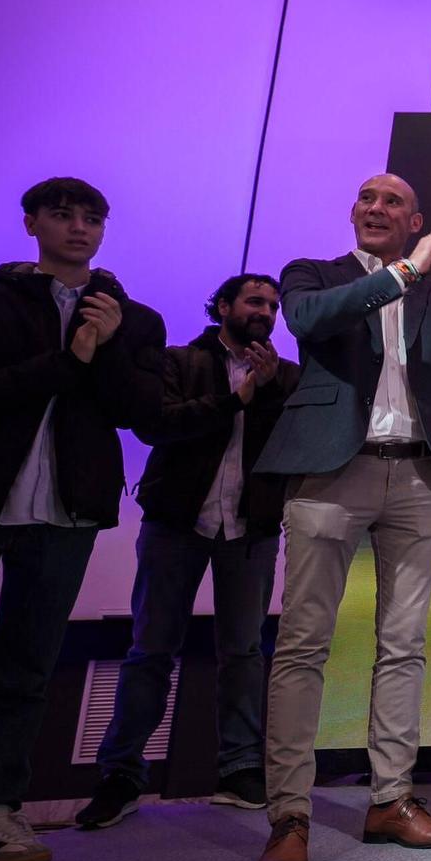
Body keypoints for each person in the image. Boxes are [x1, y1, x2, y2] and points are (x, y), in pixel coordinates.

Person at [0, 177, 164, 861]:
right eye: (63, 214)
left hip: (65, 515)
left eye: (93, 217)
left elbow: (144, 411)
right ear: (31, 223)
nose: (80, 227)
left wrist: (103, 348)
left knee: (24, 669)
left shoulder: (133, 319)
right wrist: (65, 358)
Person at [252, 174, 431, 861]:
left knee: (404, 645)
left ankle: (390, 798)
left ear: (417, 218)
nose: (375, 208)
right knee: (303, 644)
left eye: (392, 202)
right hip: (332, 471)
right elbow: (305, 322)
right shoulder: (313, 274)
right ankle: (289, 815)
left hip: (417, 475)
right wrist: (405, 269)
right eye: (366, 198)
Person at [77, 273, 301, 828]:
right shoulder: (179, 361)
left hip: (250, 528)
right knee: (150, 649)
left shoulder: (286, 375)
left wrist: (267, 392)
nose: (265, 312)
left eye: (273, 305)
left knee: (244, 653)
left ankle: (241, 767)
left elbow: (291, 447)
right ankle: (122, 774)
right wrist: (235, 398)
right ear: (223, 306)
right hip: (176, 524)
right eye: (254, 301)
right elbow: (158, 427)